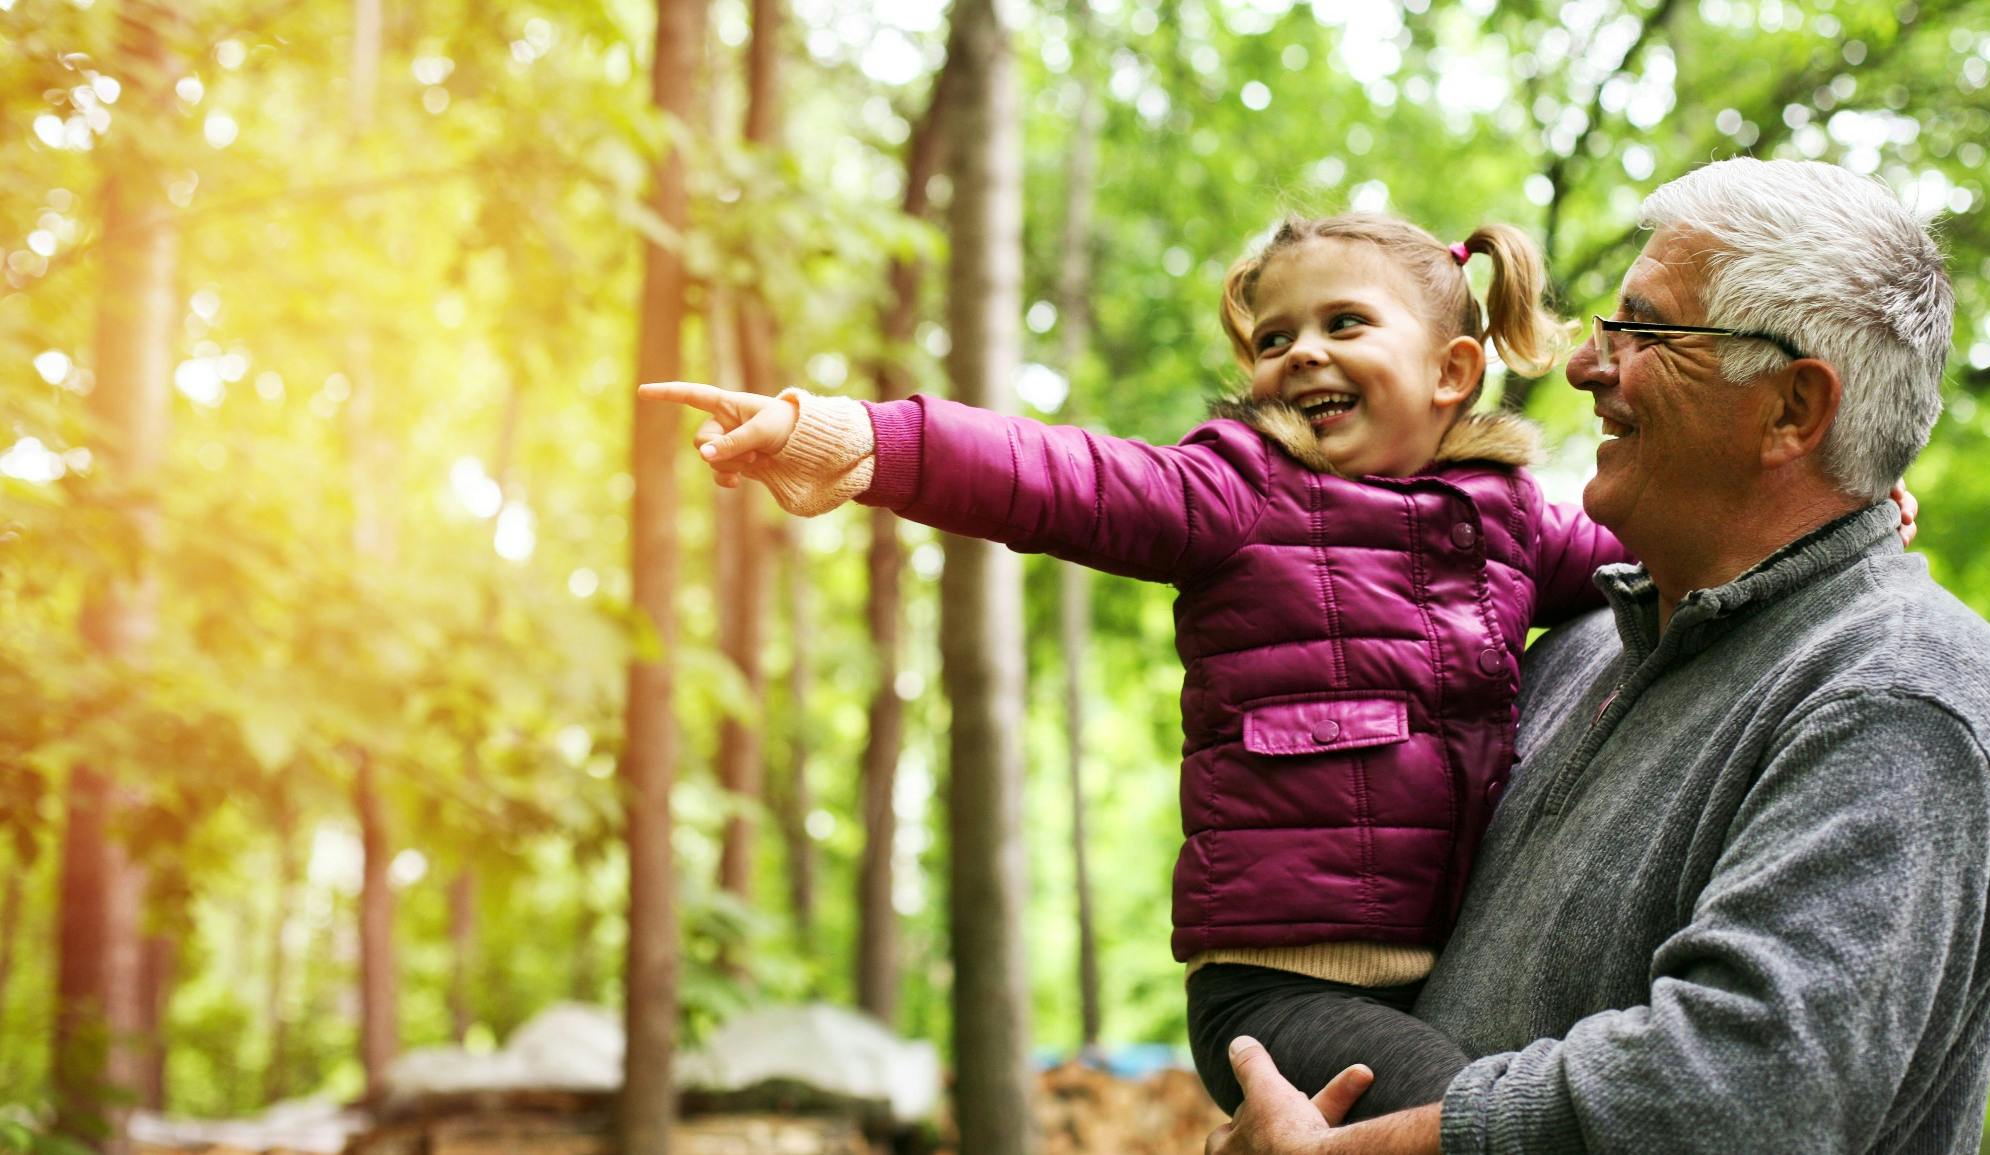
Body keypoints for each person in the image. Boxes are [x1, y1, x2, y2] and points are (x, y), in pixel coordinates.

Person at [642, 213, 1636, 1119]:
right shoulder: (1238, 491)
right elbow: (1060, 477)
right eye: (1275, 338)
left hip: (1449, 964)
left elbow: (1643, 552)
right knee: (1488, 1119)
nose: (1304, 355)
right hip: (1280, 987)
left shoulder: (1503, 524)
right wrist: (852, 436)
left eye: (1345, 324)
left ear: (1451, 371)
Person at [1204, 157, 1990, 1155]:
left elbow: (1738, 1096)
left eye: (1642, 331)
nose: (1583, 365)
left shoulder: (1897, 691)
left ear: (1790, 409)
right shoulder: (1571, 656)